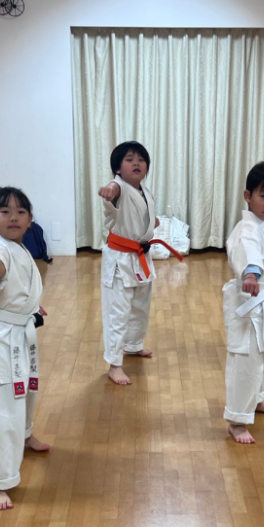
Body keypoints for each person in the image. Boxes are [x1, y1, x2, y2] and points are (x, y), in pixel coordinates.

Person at [0, 187, 50, 510]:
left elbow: (17, 281)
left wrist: (31, 305)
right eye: (4, 212)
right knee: (0, 406)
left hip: (20, 331)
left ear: (30, 220)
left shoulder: (19, 246)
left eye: (20, 212)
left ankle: (25, 434)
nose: (13, 217)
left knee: (26, 391)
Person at [98, 140, 180, 386]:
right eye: (129, 159)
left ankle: (133, 344)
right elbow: (114, 193)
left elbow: (140, 214)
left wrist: (151, 221)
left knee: (140, 307)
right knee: (118, 312)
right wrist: (110, 189)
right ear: (118, 168)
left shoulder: (145, 191)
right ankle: (114, 364)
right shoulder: (118, 187)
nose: (136, 163)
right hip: (120, 260)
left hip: (140, 257)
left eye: (141, 160)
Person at [223, 162, 264, 444]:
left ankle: (256, 400)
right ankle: (237, 420)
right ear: (248, 196)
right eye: (263, 196)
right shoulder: (247, 228)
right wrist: (251, 273)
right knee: (247, 361)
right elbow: (249, 253)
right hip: (249, 301)